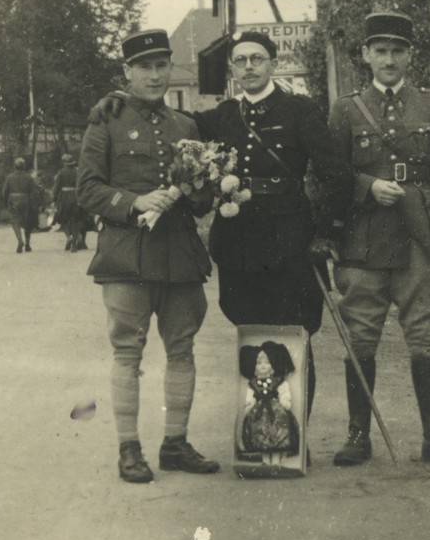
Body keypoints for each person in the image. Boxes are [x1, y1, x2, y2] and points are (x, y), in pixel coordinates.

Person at [90, 29, 351, 426]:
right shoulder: (222, 117)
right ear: (232, 68)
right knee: (252, 336)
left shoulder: (300, 112)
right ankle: (260, 434)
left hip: (290, 243)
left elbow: (337, 175)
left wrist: (325, 233)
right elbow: (165, 120)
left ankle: (290, 438)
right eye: (241, 61)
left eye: (257, 59)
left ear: (273, 64)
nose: (249, 67)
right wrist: (121, 98)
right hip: (240, 245)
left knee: (293, 335)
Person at [327, 11, 430, 468]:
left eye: (398, 51)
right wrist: (366, 187)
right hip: (363, 240)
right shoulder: (345, 109)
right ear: (366, 55)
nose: (389, 59)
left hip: (419, 238)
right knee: (361, 337)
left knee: (423, 334)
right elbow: (330, 176)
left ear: (410, 55)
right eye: (380, 51)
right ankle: (357, 435)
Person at [77, 28, 219, 484]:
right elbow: (87, 189)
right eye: (145, 67)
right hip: (127, 257)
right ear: (127, 73)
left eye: (162, 66)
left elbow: (199, 201)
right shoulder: (107, 120)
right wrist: (134, 202)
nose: (155, 75)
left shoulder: (186, 126)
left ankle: (175, 443)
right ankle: (129, 448)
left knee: (182, 348)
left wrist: (203, 192)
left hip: (180, 255)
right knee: (127, 352)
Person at [239, 341, 300, 459]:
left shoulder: (278, 381)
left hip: (275, 407)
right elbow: (250, 394)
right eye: (259, 363)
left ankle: (279, 447)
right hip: (258, 409)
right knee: (257, 426)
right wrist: (249, 403)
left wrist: (285, 399)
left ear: (272, 367)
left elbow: (283, 390)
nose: (263, 366)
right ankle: (260, 448)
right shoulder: (253, 383)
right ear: (254, 368)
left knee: (280, 422)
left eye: (267, 363)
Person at [2, 158, 41, 254]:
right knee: (27, 223)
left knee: (15, 222)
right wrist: (36, 202)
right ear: (23, 166)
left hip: (13, 201)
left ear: (14, 166)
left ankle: (20, 240)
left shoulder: (9, 177)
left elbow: (4, 192)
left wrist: (5, 202)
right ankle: (27, 244)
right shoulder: (28, 177)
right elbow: (34, 191)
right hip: (26, 201)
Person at [52, 154, 83, 252]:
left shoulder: (60, 173)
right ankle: (74, 244)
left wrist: (54, 199)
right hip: (75, 197)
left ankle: (68, 237)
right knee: (76, 220)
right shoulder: (78, 172)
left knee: (63, 219)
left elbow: (56, 187)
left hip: (64, 198)